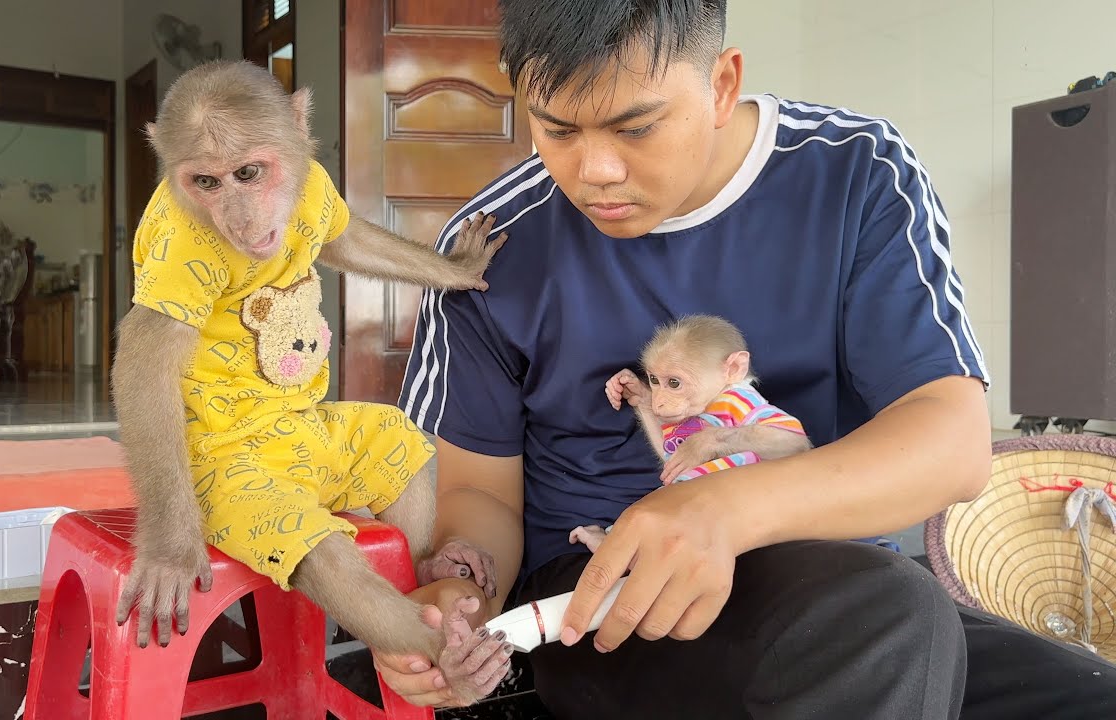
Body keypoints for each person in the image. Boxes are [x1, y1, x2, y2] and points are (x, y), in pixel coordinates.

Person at [372, 0, 1116, 717]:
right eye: (557, 129)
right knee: (881, 621)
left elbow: (950, 446)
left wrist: (721, 509)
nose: (594, 169)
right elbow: (482, 496)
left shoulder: (856, 173)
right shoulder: (494, 244)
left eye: (635, 127)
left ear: (722, 84)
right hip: (602, 603)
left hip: (850, 587)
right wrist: (463, 593)